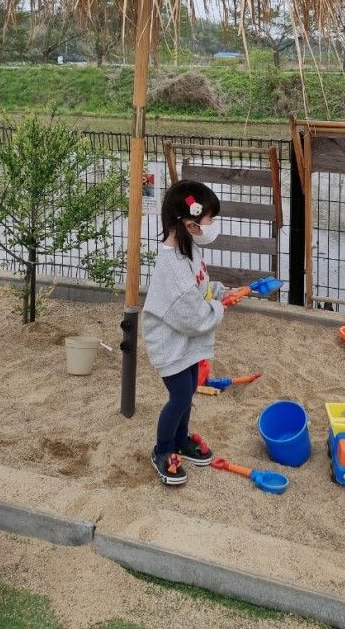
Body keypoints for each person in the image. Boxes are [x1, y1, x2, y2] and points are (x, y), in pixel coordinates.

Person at [141, 179, 227, 486]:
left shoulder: (188, 251)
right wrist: (218, 309)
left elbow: (198, 286)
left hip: (183, 339)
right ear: (191, 225)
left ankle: (180, 439)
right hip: (169, 342)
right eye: (210, 220)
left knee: (189, 388)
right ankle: (162, 450)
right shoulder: (171, 267)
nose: (214, 225)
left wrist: (216, 292)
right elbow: (194, 317)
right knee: (179, 396)